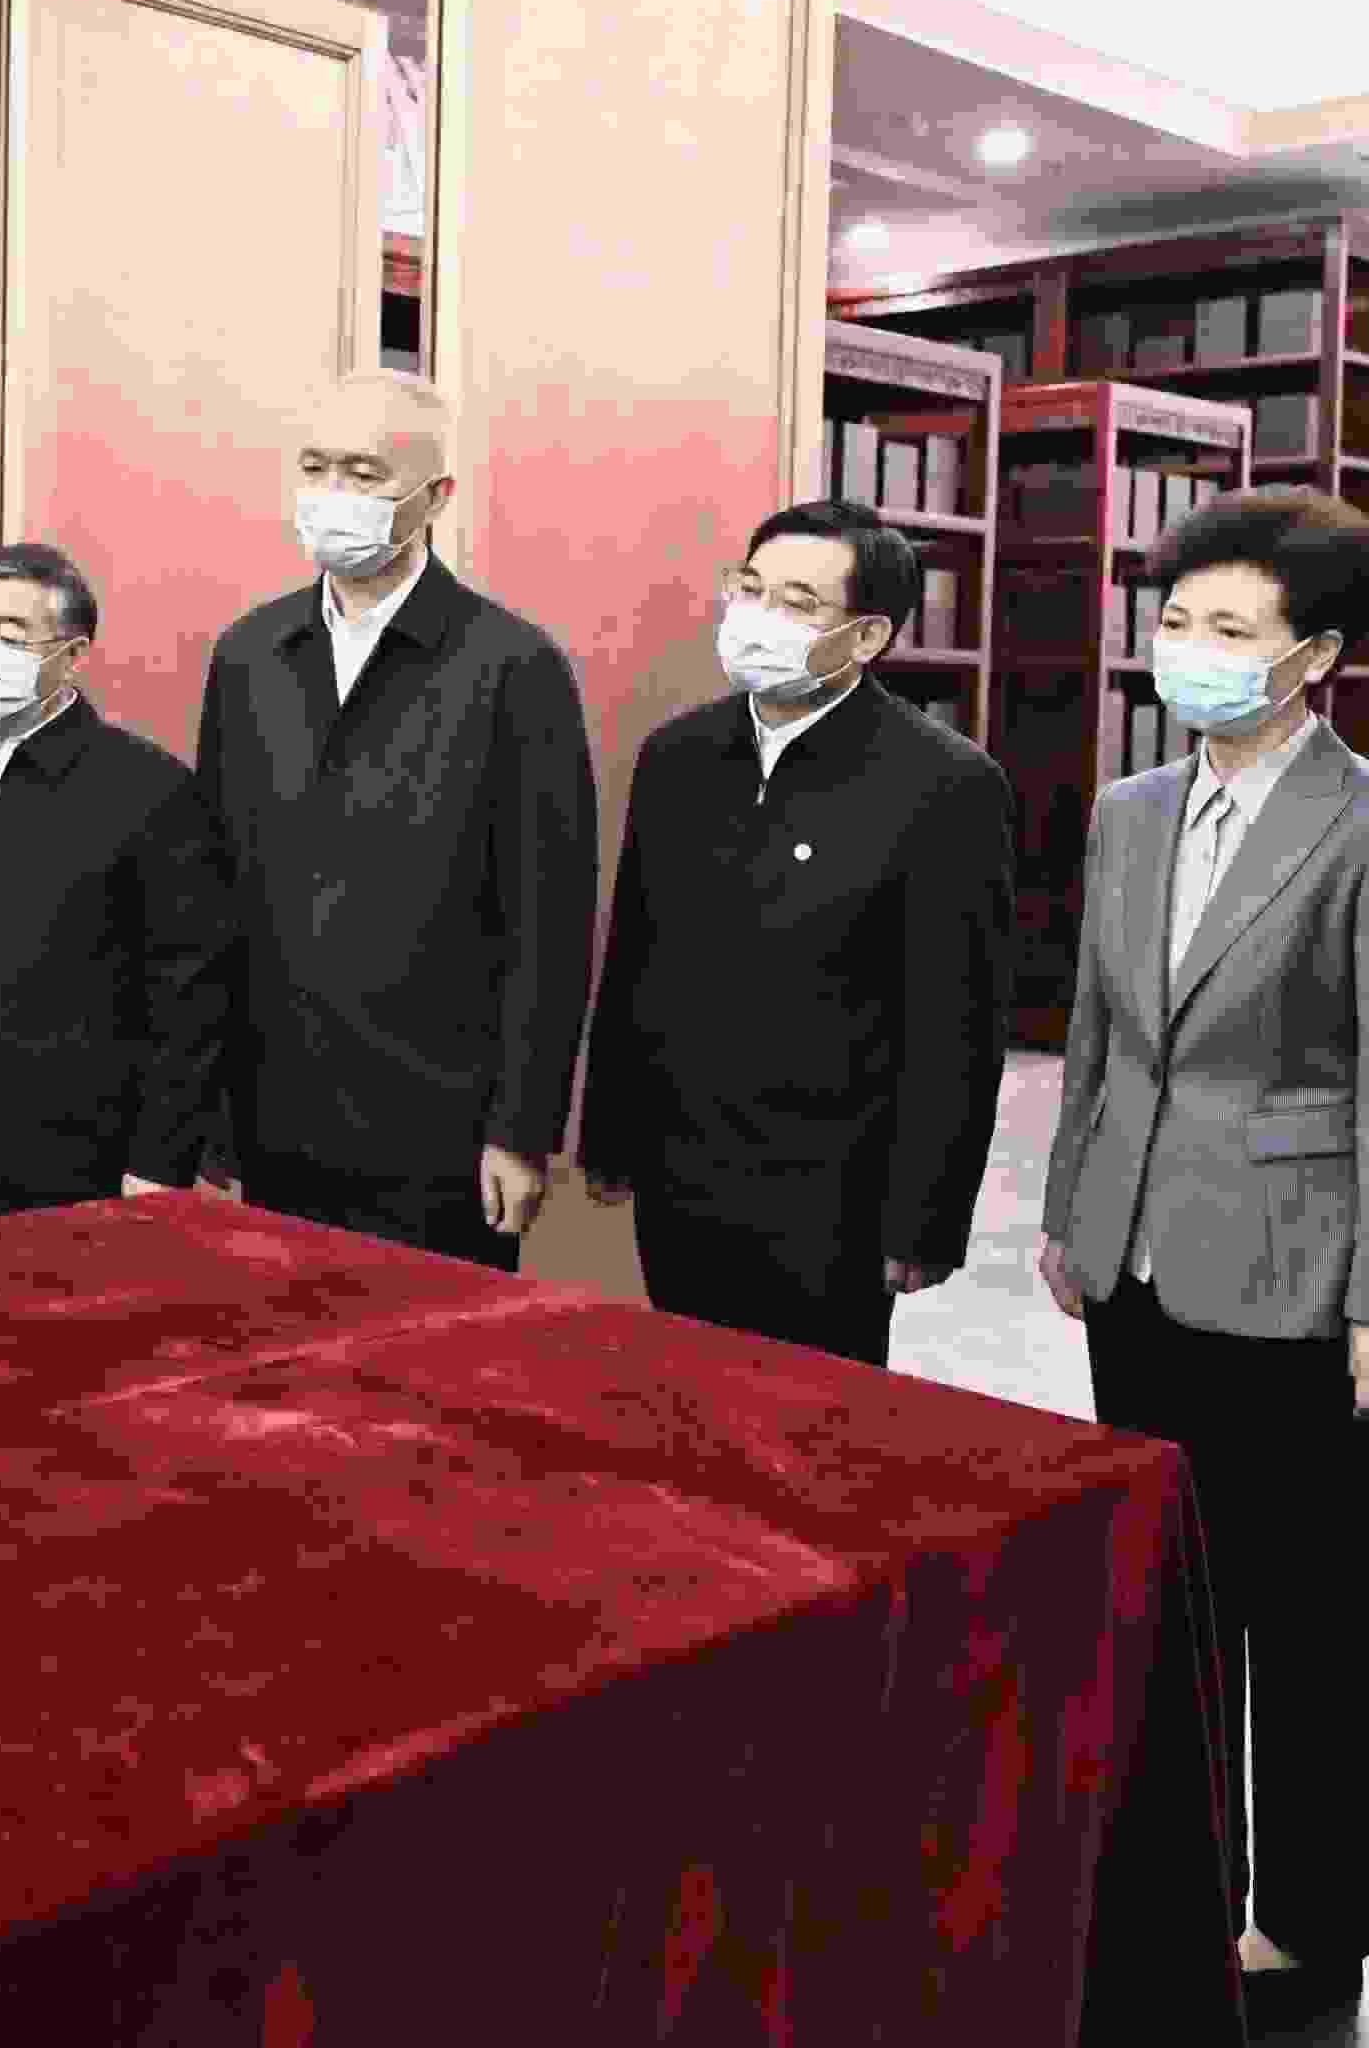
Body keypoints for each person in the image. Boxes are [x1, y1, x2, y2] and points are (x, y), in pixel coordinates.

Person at [1036, 485, 1369, 2034]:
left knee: (1307, 1617)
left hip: (1297, 1268)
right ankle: (1179, 1892)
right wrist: (1070, 1209)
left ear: (1318, 657)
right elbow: (1099, 1037)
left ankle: (1309, 1927)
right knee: (1169, 1595)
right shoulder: (1129, 810)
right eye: (1177, 621)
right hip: (1138, 1256)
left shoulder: (1359, 824)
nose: (1193, 650)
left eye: (1233, 628)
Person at [570, 500, 1013, 1363]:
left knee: (808, 1420)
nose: (759, 616)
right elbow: (635, 958)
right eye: (751, 589)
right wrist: (610, 1135)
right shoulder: (678, 756)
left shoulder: (944, 785)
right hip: (681, 1167)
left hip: (832, 1193)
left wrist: (924, 1219)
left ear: (867, 635)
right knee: (683, 1395)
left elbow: (956, 1024)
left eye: (799, 602)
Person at [191, 368, 598, 1271]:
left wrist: (521, 1130)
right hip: (275, 1112)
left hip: (437, 1130)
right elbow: (215, 891)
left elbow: (549, 922)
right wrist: (209, 1104)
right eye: (316, 467)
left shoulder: (513, 667)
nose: (332, 493)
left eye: (366, 473)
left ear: (436, 497)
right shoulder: (250, 654)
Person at [0, 542, 233, 1226]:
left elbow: (189, 996)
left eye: (11, 635)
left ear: (74, 654)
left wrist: (159, 1163)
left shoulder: (149, 790)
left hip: (82, 1165)